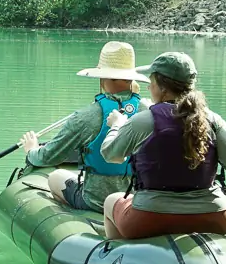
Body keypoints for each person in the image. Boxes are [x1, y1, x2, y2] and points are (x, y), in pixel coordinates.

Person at [96, 51, 226, 240]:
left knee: (111, 201)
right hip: (214, 219)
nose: (149, 86)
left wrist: (117, 124)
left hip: (149, 219)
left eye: (152, 81)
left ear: (163, 88)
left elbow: (112, 155)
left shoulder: (143, 120)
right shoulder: (213, 120)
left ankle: (116, 259)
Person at [16, 40, 145, 213]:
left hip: (96, 202)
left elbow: (48, 157)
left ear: (102, 76)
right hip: (136, 203)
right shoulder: (148, 111)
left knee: (55, 177)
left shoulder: (86, 116)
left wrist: (32, 150)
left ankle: (74, 221)